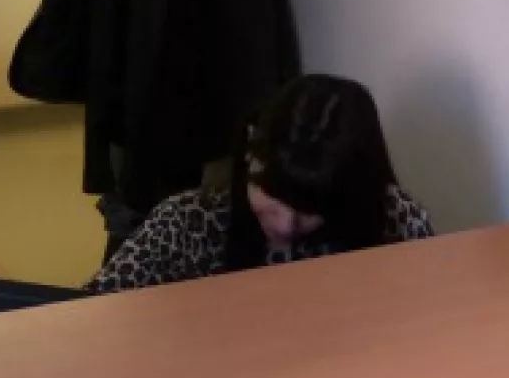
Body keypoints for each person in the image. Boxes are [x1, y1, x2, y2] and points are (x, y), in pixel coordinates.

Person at [87, 74, 433, 294]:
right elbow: (97, 313)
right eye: (274, 196)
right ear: (251, 151)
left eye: (312, 210)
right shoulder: (184, 223)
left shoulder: (398, 219)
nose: (286, 225)